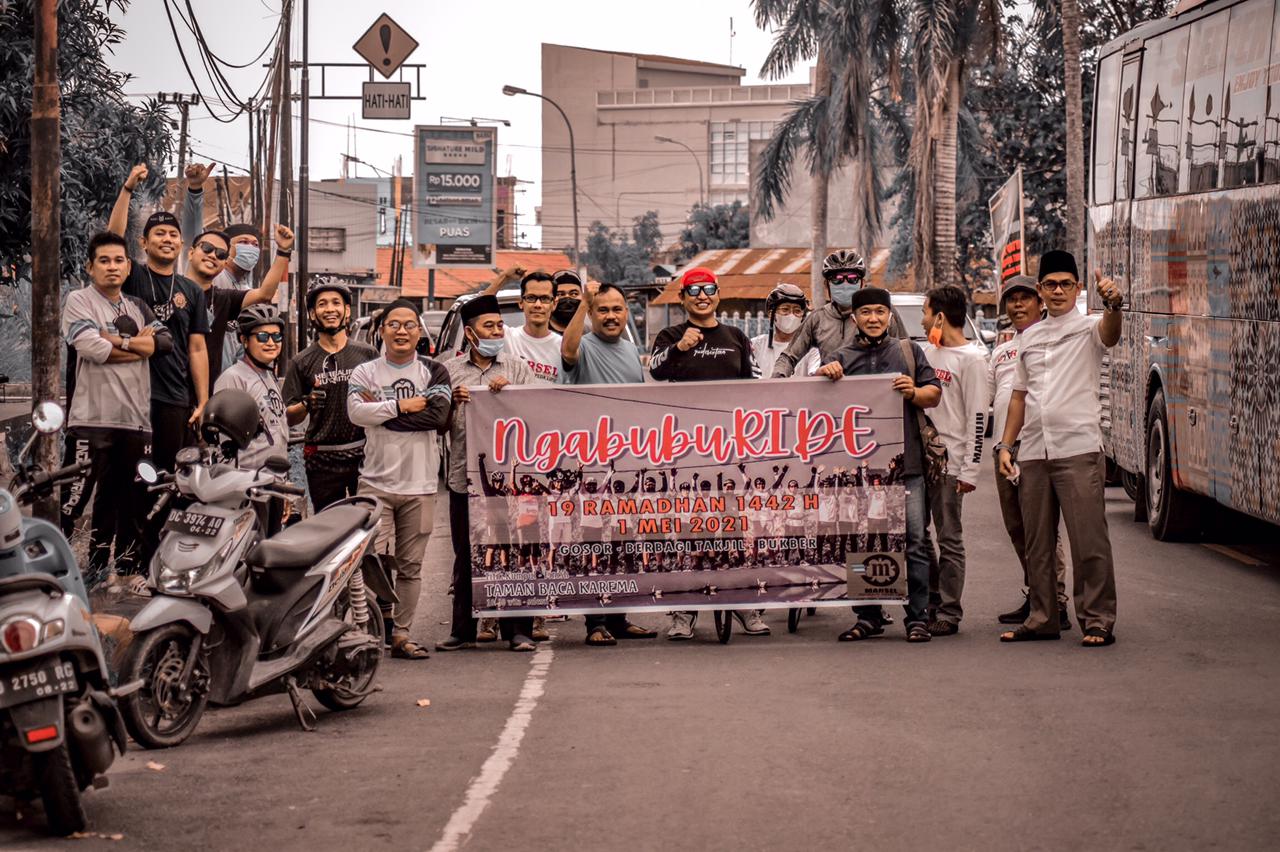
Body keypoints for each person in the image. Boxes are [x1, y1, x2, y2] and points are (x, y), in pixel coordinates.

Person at [997, 251, 1124, 647]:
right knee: (1038, 544)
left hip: (1078, 447)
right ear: (1040, 291)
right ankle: (1042, 618)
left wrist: (1114, 304)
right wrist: (1006, 445)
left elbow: (1112, 333)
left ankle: (1098, 619)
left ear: (1077, 289)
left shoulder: (1089, 328)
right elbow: (1019, 396)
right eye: (1050, 284)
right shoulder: (1029, 338)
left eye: (1065, 284)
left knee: (1089, 541)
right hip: (1033, 451)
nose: (1057, 291)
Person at [817, 286, 942, 644]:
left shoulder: (908, 351)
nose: (874, 318)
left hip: (909, 465)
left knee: (915, 541)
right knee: (862, 539)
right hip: (860, 471)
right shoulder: (840, 356)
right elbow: (817, 403)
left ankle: (917, 618)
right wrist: (826, 376)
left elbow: (933, 393)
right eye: (866, 312)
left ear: (890, 316)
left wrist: (913, 392)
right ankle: (868, 615)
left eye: (880, 312)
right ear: (854, 317)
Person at [650, 266, 765, 640]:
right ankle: (683, 611)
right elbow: (653, 373)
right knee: (687, 531)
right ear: (682, 298)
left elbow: (758, 386)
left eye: (709, 289)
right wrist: (679, 349)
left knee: (738, 530)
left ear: (718, 295)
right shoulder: (669, 335)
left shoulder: (735, 336)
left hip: (733, 451)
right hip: (685, 453)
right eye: (693, 290)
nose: (702, 295)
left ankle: (746, 604)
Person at [61, 232, 173, 587]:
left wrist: (116, 339)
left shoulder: (138, 306)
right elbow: (91, 348)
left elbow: (165, 343)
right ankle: (59, 577)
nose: (112, 266)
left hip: (136, 423)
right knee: (73, 503)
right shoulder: (79, 300)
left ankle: (119, 574)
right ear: (90, 266)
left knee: (130, 503)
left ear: (128, 267)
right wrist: (141, 346)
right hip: (91, 421)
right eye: (104, 261)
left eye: (119, 260)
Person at [347, 299, 453, 660]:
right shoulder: (364, 373)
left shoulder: (435, 372)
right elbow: (356, 412)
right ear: (382, 330)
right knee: (372, 559)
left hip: (421, 486)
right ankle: (378, 622)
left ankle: (401, 636)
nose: (402, 330)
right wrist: (400, 406)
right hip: (375, 483)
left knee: (411, 567)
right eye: (394, 324)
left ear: (419, 332)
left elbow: (439, 418)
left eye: (409, 324)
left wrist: (383, 416)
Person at [437, 295, 538, 652]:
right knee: (466, 553)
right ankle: (462, 629)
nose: (497, 332)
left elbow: (537, 417)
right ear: (470, 333)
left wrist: (508, 396)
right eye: (489, 326)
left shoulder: (517, 368)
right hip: (463, 477)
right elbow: (435, 424)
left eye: (499, 326)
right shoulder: (448, 370)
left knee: (513, 550)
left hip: (509, 481)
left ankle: (519, 630)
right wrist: (453, 401)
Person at [561, 281, 656, 646]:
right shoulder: (582, 345)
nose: (611, 316)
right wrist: (584, 302)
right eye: (604, 310)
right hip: (589, 465)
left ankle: (618, 617)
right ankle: (595, 621)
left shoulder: (633, 351)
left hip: (627, 463)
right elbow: (567, 352)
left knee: (622, 543)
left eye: (617, 309)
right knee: (593, 544)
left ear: (626, 312)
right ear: (593, 314)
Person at [108, 163, 210, 475]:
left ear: (181, 244)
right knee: (130, 478)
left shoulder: (191, 290)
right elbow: (112, 237)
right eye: (159, 233)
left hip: (174, 398)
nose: (167, 238)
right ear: (144, 243)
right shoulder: (134, 275)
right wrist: (128, 189)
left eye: (173, 234)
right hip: (130, 396)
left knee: (167, 479)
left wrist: (203, 400)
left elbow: (197, 348)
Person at [988, 276, 1070, 627]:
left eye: (1025, 298)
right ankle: (1037, 594)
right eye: (1011, 300)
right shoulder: (1001, 350)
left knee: (1044, 529)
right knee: (1017, 527)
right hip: (1004, 448)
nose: (1018, 305)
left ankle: (1057, 600)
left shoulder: (1055, 340)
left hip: (1039, 444)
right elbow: (988, 400)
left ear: (1039, 302)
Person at [918, 286, 988, 636]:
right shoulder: (925, 353)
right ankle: (930, 599)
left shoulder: (973, 360)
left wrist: (969, 470)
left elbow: (978, 419)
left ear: (940, 317)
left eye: (926, 313)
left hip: (951, 464)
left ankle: (949, 610)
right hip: (922, 461)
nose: (922, 319)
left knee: (949, 538)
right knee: (918, 535)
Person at [282, 280, 378, 511]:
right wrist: (307, 403)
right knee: (329, 528)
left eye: (336, 303)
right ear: (313, 313)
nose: (330, 309)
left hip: (364, 455)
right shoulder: (301, 361)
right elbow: (288, 417)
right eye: (322, 304)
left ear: (347, 311)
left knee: (367, 526)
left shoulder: (368, 354)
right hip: (321, 459)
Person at [183, 225, 291, 386]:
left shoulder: (228, 295)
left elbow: (264, 294)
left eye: (255, 245)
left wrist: (283, 251)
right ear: (191, 253)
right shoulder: (209, 281)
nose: (213, 256)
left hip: (224, 384)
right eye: (244, 242)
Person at [771, 250, 867, 378]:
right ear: (826, 286)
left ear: (862, 283)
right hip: (830, 393)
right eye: (837, 279)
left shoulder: (879, 315)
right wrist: (777, 381)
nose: (845, 284)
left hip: (871, 392)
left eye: (852, 279)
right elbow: (788, 357)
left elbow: (901, 350)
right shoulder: (817, 318)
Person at [503, 271, 563, 384]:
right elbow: (478, 314)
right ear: (521, 302)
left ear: (554, 304)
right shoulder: (507, 338)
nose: (538, 305)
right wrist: (504, 277)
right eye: (531, 298)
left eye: (545, 298)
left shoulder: (563, 347)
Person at [752, 283, 820, 378]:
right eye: (785, 309)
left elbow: (816, 373)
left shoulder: (811, 348)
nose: (791, 315)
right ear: (771, 314)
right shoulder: (756, 345)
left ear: (802, 316)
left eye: (797, 311)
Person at [549, 269, 584, 334]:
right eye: (560, 294)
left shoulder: (591, 331)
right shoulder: (540, 331)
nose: (567, 299)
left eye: (574, 294)